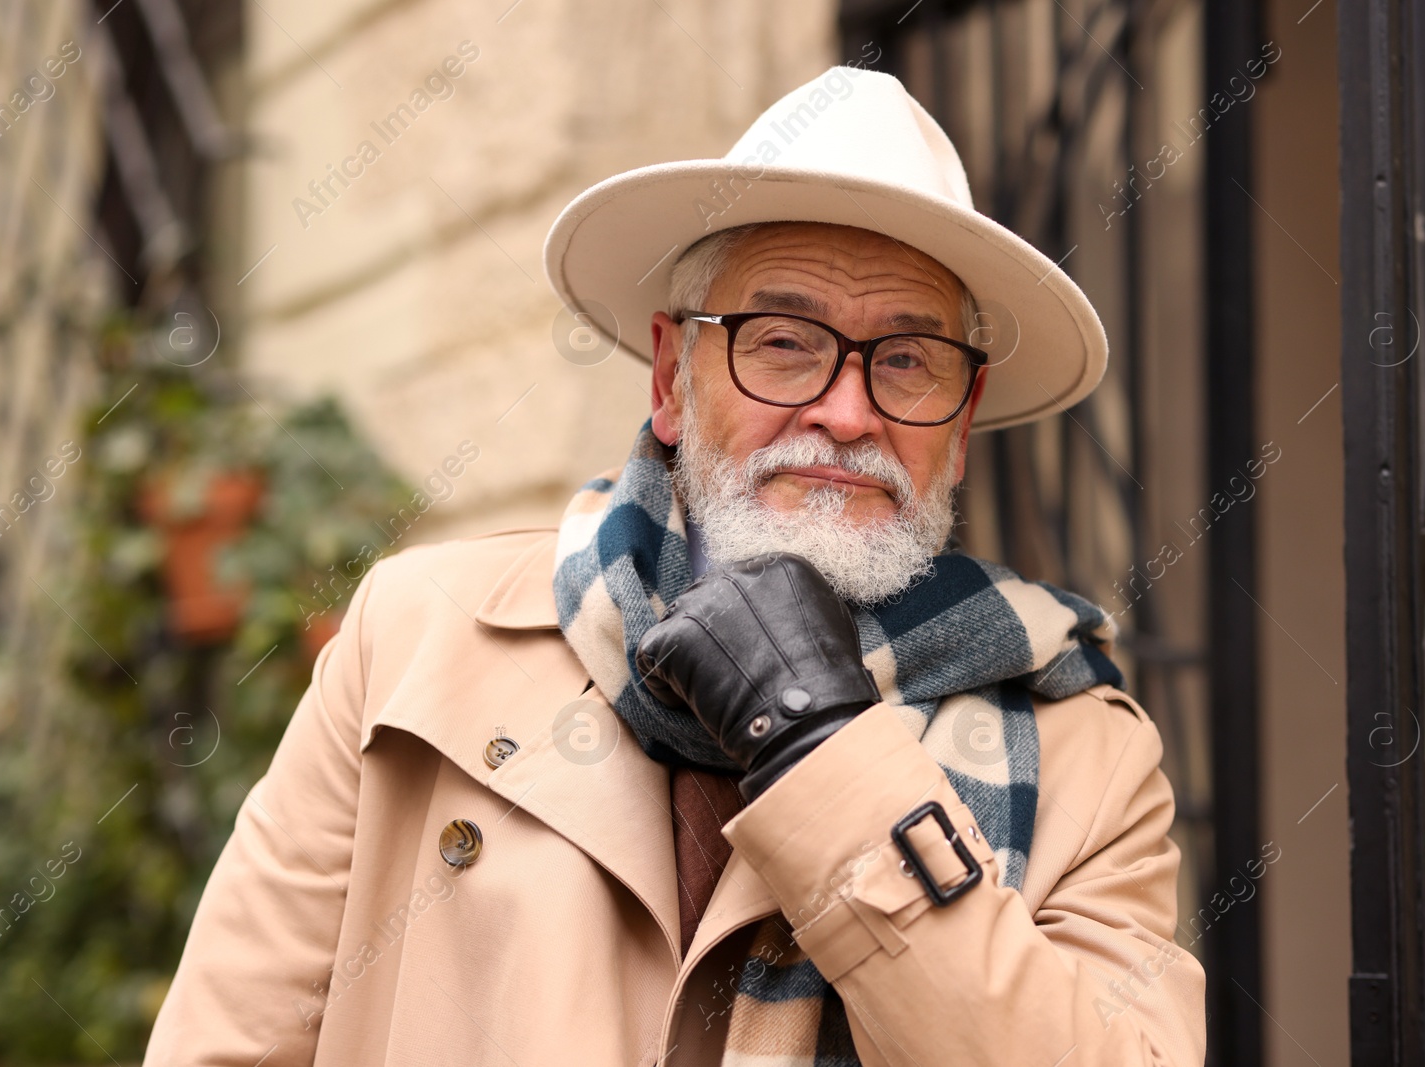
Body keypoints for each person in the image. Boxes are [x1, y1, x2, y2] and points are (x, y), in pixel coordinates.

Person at [144, 66, 1205, 1066]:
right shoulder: (415, 640)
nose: (846, 411)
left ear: (961, 422)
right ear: (669, 374)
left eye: (906, 360)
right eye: (783, 341)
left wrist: (822, 745)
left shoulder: (1087, 755)